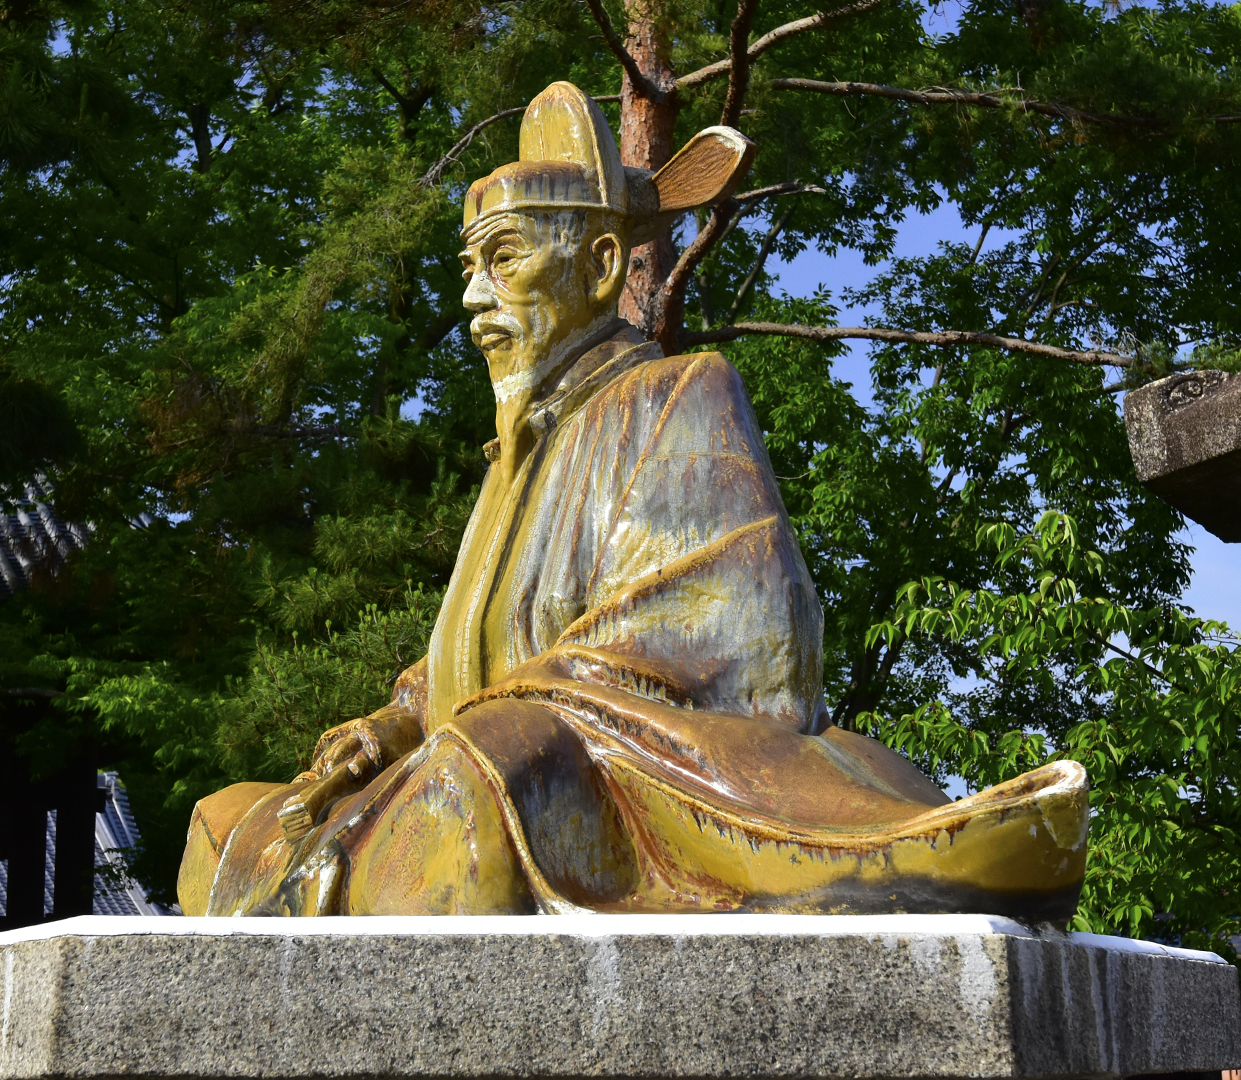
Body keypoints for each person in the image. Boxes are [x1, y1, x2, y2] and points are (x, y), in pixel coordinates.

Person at [177, 82, 1086, 917]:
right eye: (469, 264)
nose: (469, 295)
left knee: (477, 771)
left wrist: (509, 712)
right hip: (467, 756)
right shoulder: (516, 451)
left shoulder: (676, 395)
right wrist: (390, 721)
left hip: (606, 768)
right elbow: (472, 648)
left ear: (603, 262)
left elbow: (730, 632)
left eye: (504, 259)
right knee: (228, 823)